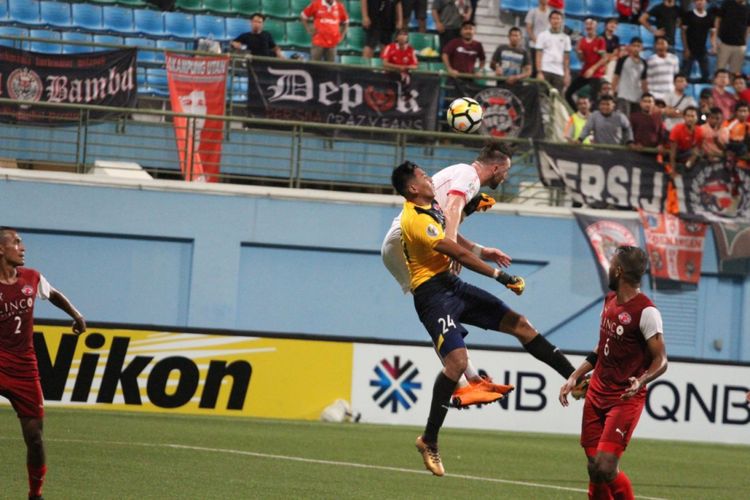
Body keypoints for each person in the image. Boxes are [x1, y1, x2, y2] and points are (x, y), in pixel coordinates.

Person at [391, 161, 581, 476]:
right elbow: (457, 254)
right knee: (455, 363)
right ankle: (430, 440)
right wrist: (499, 276)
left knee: (521, 325)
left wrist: (479, 239)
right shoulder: (413, 219)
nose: (429, 177)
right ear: (413, 188)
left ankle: (575, 380)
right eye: (423, 176)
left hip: (451, 286)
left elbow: (458, 241)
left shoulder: (431, 208)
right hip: (431, 295)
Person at [559, 245, 668, 500]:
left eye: (611, 264)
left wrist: (641, 381)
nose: (608, 268)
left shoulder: (646, 311)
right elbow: (602, 346)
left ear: (618, 271)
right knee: (594, 469)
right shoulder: (609, 301)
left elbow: (661, 360)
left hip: (624, 399)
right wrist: (576, 375)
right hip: (596, 394)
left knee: (606, 467)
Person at [0, 227, 87, 500]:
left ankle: (35, 494)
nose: (22, 247)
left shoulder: (32, 277)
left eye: (21, 242)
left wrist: (76, 315)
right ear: (1, 249)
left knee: (35, 438)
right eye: (16, 242)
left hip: (24, 368)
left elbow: (53, 294)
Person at [565, 17, 607, 108]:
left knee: (594, 100)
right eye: (587, 24)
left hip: (596, 74)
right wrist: (578, 53)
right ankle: (577, 114)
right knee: (568, 94)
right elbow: (582, 60)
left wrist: (592, 69)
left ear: (596, 26)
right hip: (585, 72)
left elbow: (604, 58)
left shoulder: (600, 40)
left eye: (591, 24)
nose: (589, 26)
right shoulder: (581, 41)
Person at [535, 10, 571, 93]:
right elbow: (538, 55)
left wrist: (567, 74)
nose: (556, 21)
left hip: (559, 72)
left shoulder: (566, 38)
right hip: (545, 70)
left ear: (561, 20)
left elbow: (566, 59)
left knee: (556, 101)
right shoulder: (542, 35)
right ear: (550, 20)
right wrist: (539, 72)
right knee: (541, 97)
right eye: (553, 18)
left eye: (558, 18)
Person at [680, 0, 716, 83]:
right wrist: (686, 49)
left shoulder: (710, 17)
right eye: (697, 1)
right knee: (684, 76)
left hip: (702, 49)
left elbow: (712, 34)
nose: (699, 2)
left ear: (706, 3)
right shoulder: (688, 15)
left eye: (702, 0)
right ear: (694, 3)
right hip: (689, 49)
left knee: (706, 75)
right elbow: (683, 33)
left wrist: (713, 46)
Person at [613, 37, 648, 116]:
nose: (636, 48)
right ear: (630, 47)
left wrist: (646, 95)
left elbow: (644, 81)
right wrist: (612, 92)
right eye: (634, 46)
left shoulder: (644, 63)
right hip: (623, 95)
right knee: (623, 121)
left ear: (641, 48)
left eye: (638, 46)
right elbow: (616, 77)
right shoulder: (622, 60)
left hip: (637, 97)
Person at [714, 0, 750, 76]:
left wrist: (745, 41)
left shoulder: (748, 7)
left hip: (740, 45)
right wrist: (716, 38)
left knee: (735, 73)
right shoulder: (727, 3)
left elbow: (748, 27)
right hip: (724, 43)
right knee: (720, 70)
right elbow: (718, 20)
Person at [668, 106, 704, 176]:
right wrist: (672, 170)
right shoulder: (677, 129)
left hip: (689, 155)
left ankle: (686, 168)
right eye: (688, 116)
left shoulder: (699, 131)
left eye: (692, 116)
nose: (690, 119)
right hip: (677, 154)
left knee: (697, 153)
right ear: (684, 117)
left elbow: (698, 149)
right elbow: (672, 152)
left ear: (697, 118)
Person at [525, 0, 551, 75]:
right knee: (534, 69)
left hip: (547, 47)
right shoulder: (533, 12)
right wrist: (536, 41)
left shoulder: (551, 13)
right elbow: (529, 28)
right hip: (534, 45)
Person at [601, 18, 621, 84]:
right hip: (601, 59)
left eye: (615, 24)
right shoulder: (600, 37)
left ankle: (607, 83)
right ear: (606, 25)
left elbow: (615, 52)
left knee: (614, 62)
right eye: (611, 23)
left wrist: (609, 58)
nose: (613, 25)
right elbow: (601, 52)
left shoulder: (616, 38)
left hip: (610, 59)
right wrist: (607, 59)